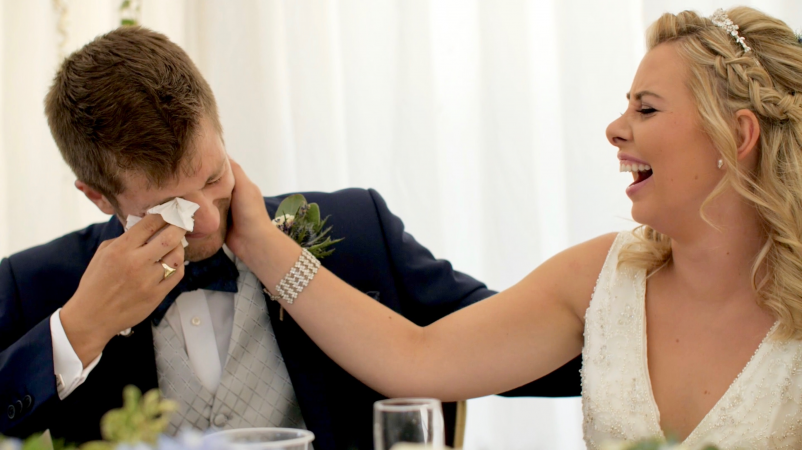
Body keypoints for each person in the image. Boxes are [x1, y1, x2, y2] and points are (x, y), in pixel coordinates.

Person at [225, 7, 802, 449]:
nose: (615, 129)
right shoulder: (603, 277)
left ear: (740, 135)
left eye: (646, 110)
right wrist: (261, 243)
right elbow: (417, 357)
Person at [0, 27, 579, 449]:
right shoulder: (35, 286)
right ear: (98, 197)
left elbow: (547, 352)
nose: (204, 219)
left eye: (213, 177)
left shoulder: (358, 232)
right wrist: (78, 330)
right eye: (169, 207)